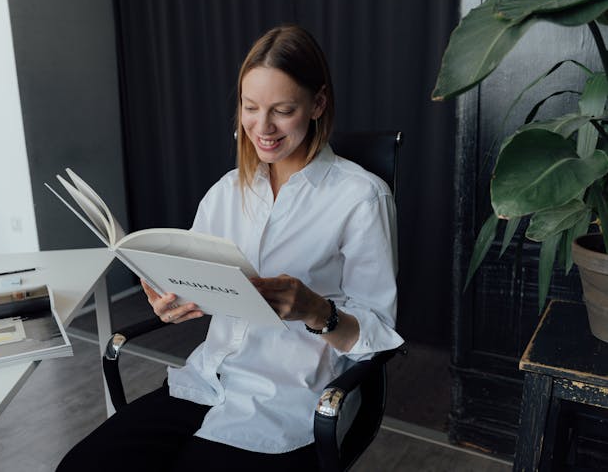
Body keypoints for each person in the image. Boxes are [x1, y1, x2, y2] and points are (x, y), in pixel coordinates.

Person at [57, 24, 403, 472]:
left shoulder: (361, 198)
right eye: (250, 107)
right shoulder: (225, 192)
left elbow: (377, 336)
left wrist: (318, 311)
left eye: (282, 110)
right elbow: (198, 284)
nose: (263, 129)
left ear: (318, 104)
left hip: (287, 399)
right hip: (204, 382)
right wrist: (170, 301)